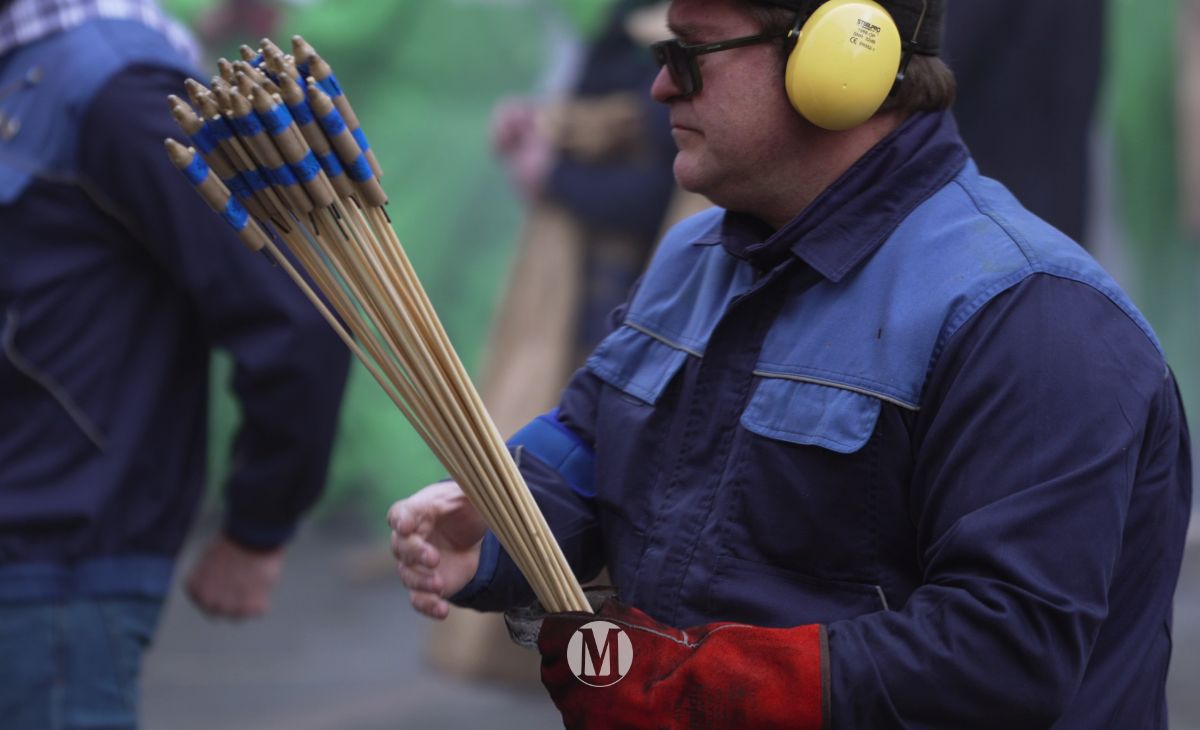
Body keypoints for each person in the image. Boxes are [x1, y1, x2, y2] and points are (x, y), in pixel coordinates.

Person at [389, 0, 1192, 726]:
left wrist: (702, 687)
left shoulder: (1031, 319)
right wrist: (498, 527)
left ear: (843, 62)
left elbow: (1004, 658)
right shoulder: (694, 256)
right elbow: (589, 441)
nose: (662, 90)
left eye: (688, 54)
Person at [0, 1, 349, 727]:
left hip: (59, 563)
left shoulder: (114, 85)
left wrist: (258, 522)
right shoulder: (48, 72)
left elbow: (293, 307)